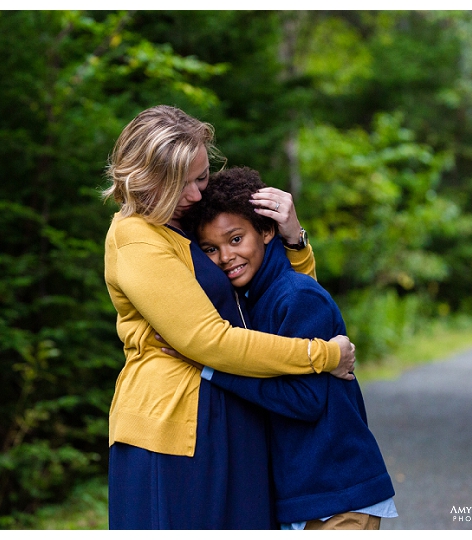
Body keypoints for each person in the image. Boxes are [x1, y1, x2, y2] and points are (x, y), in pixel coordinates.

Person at [101, 105, 356, 530]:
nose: (197, 194)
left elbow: (279, 302)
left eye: (201, 177)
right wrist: (322, 355)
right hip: (174, 430)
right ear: (145, 179)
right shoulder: (136, 238)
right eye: (181, 184)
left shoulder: (187, 220)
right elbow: (209, 340)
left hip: (235, 409)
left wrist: (294, 241)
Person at [178, 166, 398, 530]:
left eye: (236, 239)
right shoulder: (249, 303)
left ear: (266, 231)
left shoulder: (296, 296)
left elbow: (305, 399)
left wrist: (212, 369)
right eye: (210, 249)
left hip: (338, 494)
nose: (225, 256)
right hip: (301, 497)